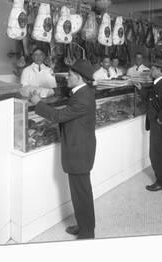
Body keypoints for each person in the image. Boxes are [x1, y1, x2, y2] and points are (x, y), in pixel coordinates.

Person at [30, 60, 97, 239]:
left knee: (81, 193)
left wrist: (38, 103)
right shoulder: (82, 92)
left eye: (69, 75)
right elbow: (68, 104)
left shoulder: (83, 97)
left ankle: (87, 232)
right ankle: (83, 225)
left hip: (79, 152)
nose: (66, 77)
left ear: (79, 77)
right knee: (79, 192)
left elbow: (59, 116)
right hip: (79, 148)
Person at [133, 59, 162, 191]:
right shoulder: (158, 83)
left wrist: (159, 119)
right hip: (159, 123)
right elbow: (153, 99)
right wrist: (141, 89)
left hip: (160, 124)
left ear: (160, 70)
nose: (150, 71)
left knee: (157, 154)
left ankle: (161, 183)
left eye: (153, 69)